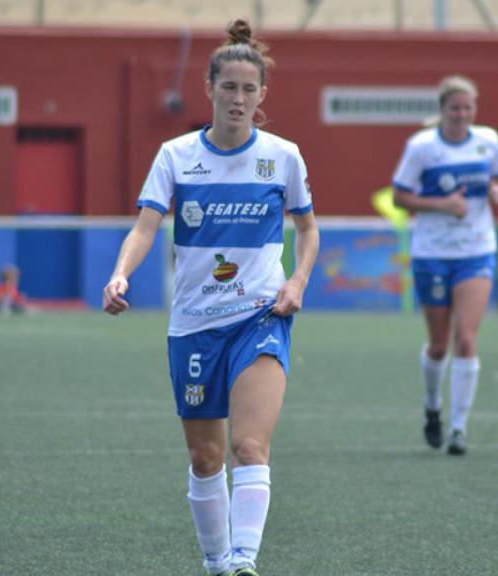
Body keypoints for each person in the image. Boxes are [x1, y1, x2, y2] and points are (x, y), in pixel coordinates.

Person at [103, 20, 318, 576]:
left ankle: (244, 562)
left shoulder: (283, 157)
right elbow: (146, 227)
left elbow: (309, 230)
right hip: (195, 325)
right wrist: (120, 274)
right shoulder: (176, 156)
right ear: (210, 89)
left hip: (260, 318)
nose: (239, 99)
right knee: (206, 457)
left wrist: (295, 284)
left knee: (250, 448)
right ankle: (217, 561)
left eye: (250, 89)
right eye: (229, 87)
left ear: (262, 95)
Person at [391, 75, 498, 456]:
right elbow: (399, 196)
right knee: (440, 344)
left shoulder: (487, 141)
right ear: (442, 110)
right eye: (455, 108)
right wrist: (443, 205)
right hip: (432, 253)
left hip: (476, 251)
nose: (462, 115)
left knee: (467, 337)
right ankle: (433, 406)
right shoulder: (422, 148)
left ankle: (459, 428)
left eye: (468, 108)